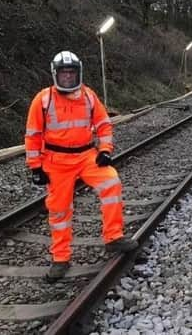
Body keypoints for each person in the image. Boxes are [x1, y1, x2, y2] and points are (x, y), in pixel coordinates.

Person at [24, 51, 137, 282]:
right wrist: (35, 167)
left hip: (87, 155)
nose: (68, 78)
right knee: (59, 210)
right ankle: (61, 258)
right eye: (64, 73)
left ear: (78, 73)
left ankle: (113, 237)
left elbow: (104, 125)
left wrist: (105, 150)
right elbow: (33, 135)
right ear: (55, 74)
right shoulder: (43, 100)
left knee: (111, 182)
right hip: (56, 161)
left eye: (71, 73)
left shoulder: (88, 96)